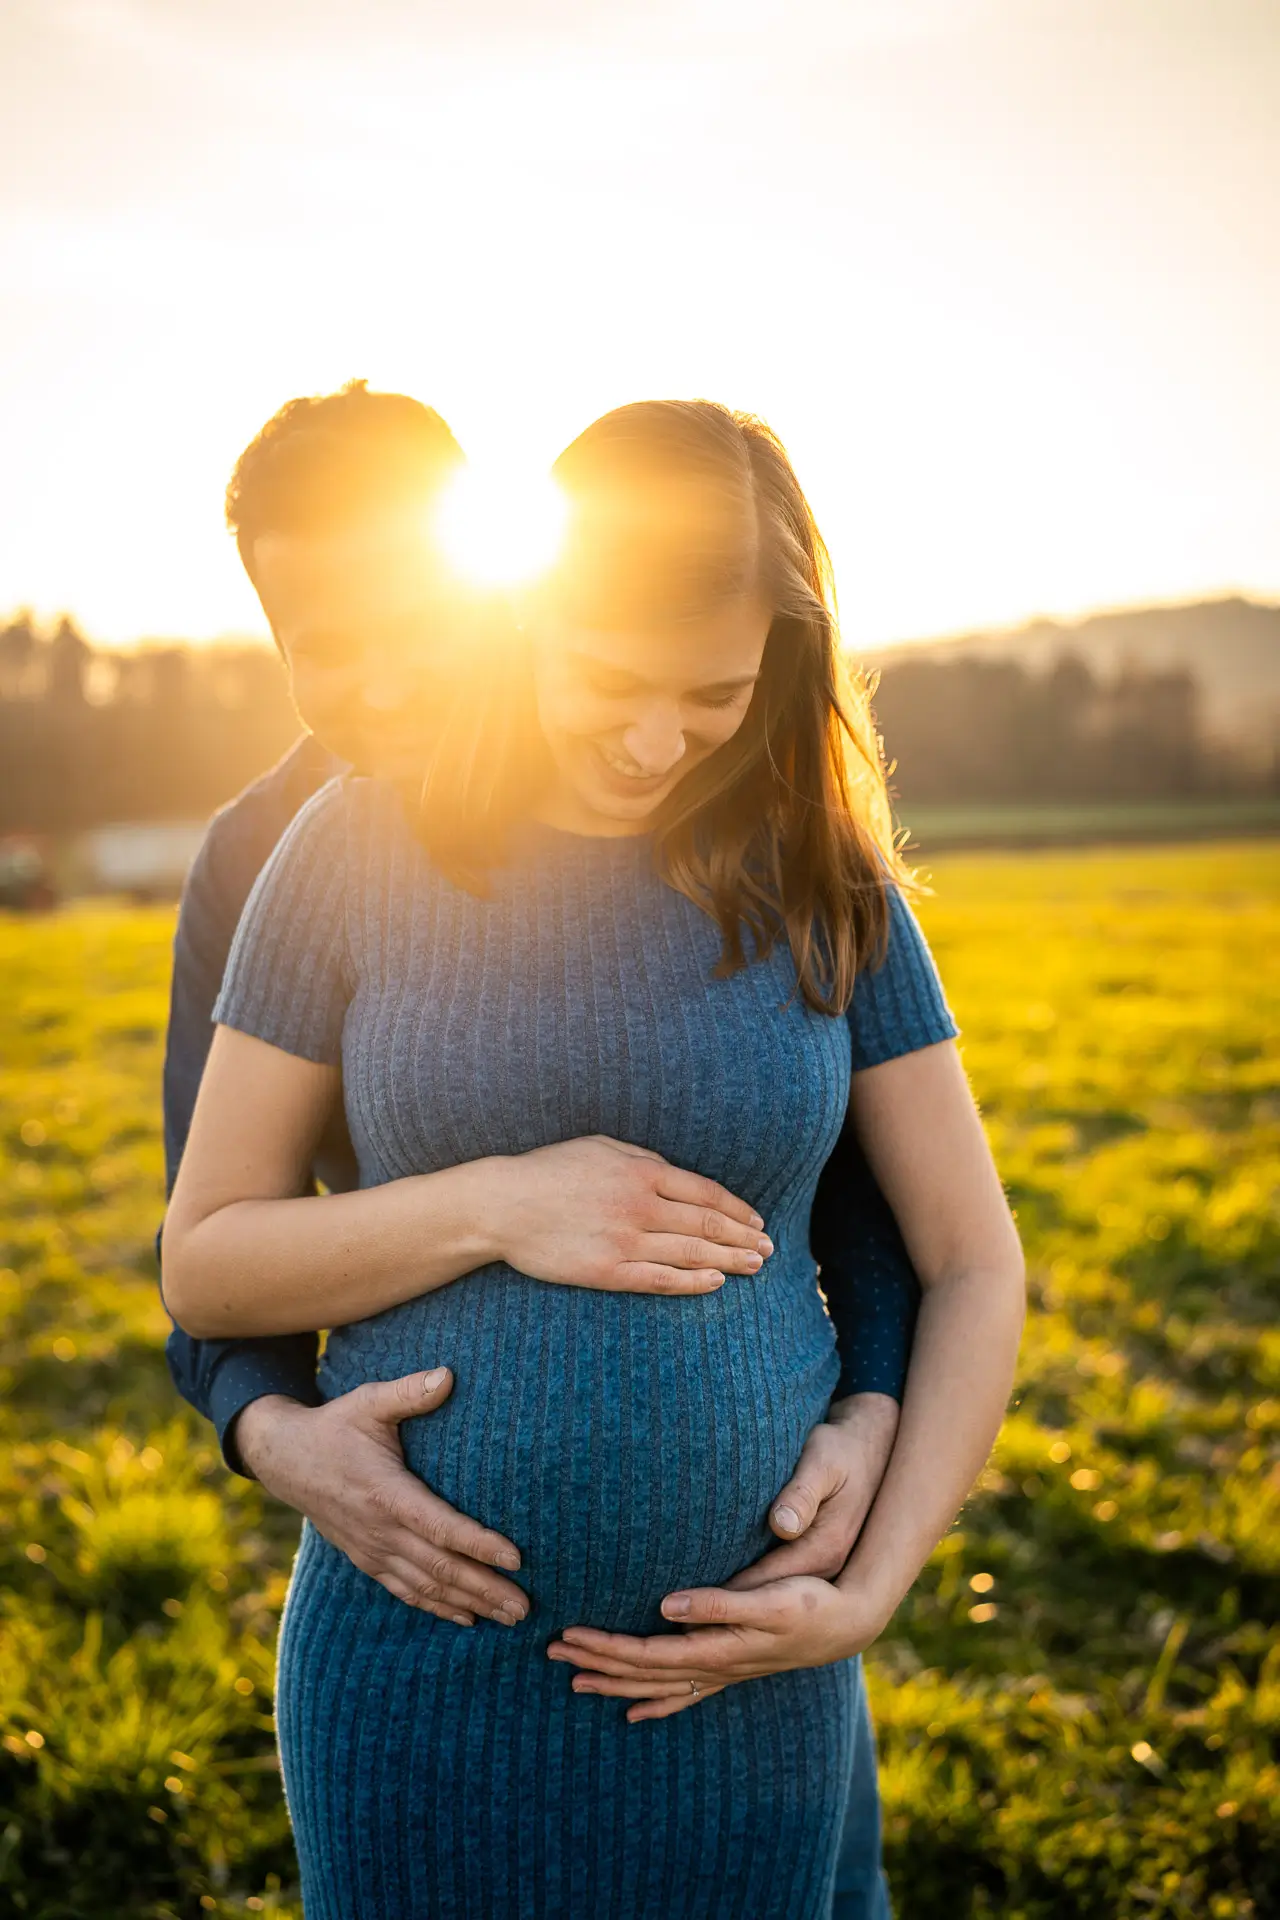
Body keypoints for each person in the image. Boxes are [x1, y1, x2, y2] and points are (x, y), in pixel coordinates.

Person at [164, 398, 1023, 1917]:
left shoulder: (822, 876)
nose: (651, 737)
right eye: (611, 681)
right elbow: (209, 1255)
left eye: (710, 693)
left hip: (743, 1684)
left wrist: (871, 1587)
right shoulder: (343, 848)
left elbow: (962, 1256)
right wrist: (499, 1205)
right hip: (417, 1675)